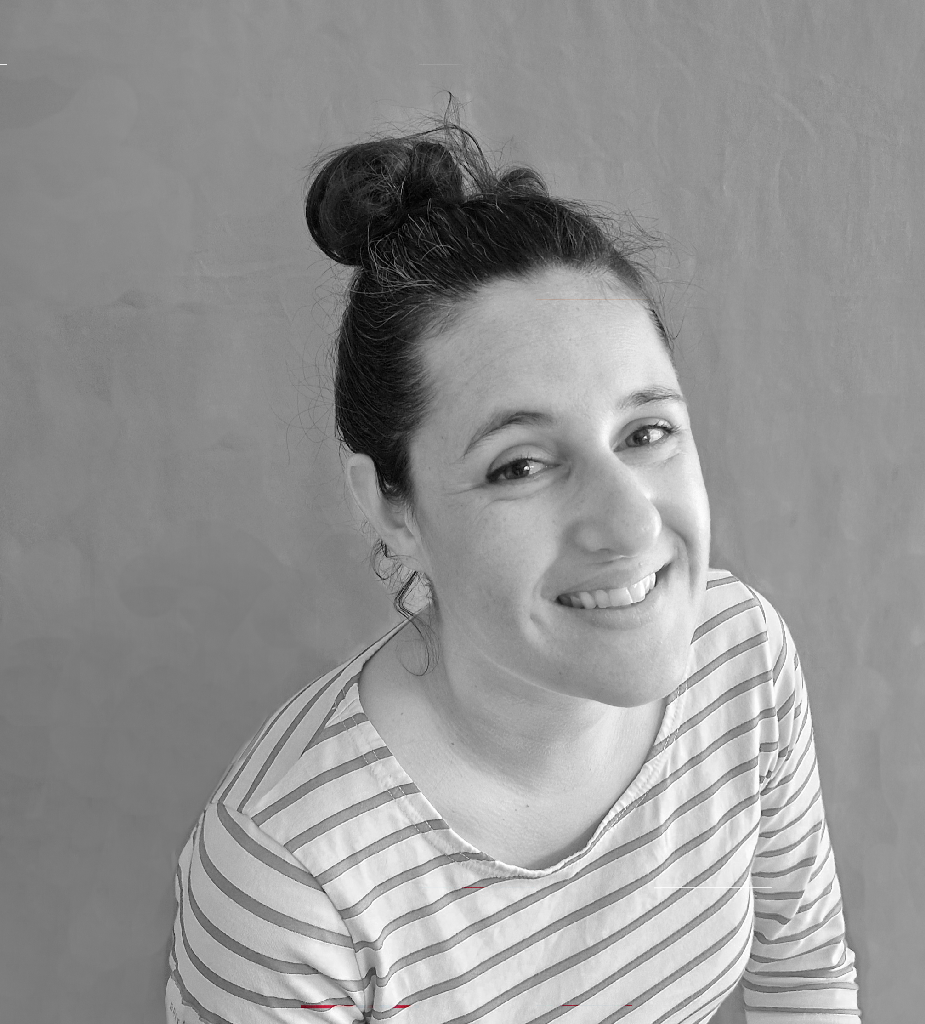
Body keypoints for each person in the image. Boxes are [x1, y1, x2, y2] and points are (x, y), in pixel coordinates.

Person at [166, 100, 861, 1023]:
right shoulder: (292, 876)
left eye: (646, 432)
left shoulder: (741, 658)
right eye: (521, 465)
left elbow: (804, 972)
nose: (629, 525)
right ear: (390, 507)